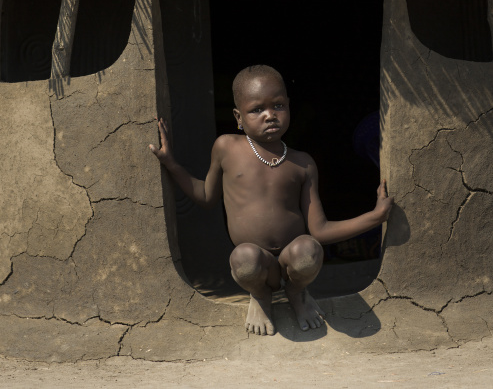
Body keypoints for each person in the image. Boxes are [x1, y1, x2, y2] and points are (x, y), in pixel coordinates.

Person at [150, 65, 394, 336]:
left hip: (293, 261)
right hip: (258, 264)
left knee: (309, 250)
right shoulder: (226, 147)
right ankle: (260, 296)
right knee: (243, 257)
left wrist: (374, 216)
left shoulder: (302, 163)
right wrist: (171, 164)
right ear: (238, 116)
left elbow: (320, 230)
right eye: (257, 109)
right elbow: (207, 197)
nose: (269, 115)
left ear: (289, 106)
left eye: (278, 105)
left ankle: (297, 292)